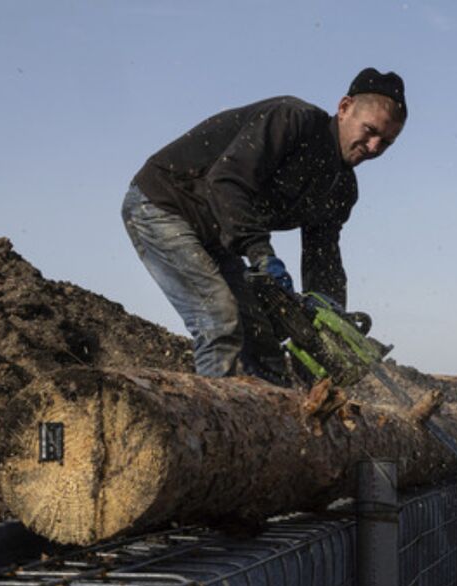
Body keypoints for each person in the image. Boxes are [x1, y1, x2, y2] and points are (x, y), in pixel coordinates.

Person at [122, 68, 407, 382]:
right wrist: (262, 254)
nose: (373, 147)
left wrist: (328, 321)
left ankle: (272, 423)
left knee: (263, 343)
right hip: (165, 203)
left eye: (386, 142)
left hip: (218, 235)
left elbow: (322, 256)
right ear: (344, 108)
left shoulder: (342, 188)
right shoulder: (292, 120)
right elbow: (227, 181)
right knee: (218, 319)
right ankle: (218, 424)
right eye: (369, 131)